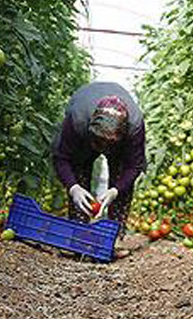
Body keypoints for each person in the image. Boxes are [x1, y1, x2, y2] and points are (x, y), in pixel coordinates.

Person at [51, 82, 146, 224]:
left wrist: (116, 190)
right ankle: (79, 226)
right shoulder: (77, 119)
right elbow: (61, 157)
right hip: (84, 140)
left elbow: (133, 165)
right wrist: (73, 187)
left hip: (116, 144)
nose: (102, 150)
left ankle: (115, 230)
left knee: (121, 176)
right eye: (99, 143)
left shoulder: (134, 128)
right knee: (79, 170)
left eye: (109, 144)